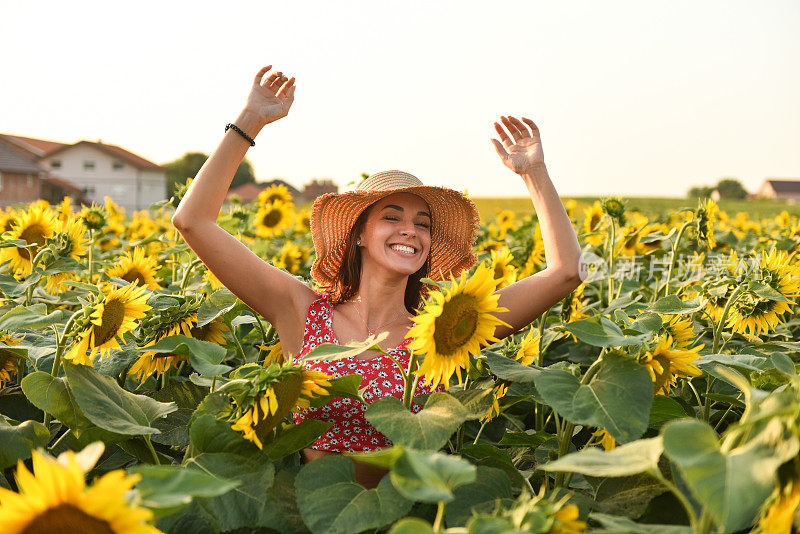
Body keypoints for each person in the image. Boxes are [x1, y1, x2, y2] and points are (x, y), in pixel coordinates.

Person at [172, 65, 582, 488]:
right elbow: (193, 221)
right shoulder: (301, 310)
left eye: (422, 224)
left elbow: (566, 272)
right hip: (318, 515)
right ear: (361, 236)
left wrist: (534, 173)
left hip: (409, 516)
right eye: (391, 217)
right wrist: (251, 119)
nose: (410, 230)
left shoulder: (445, 330)